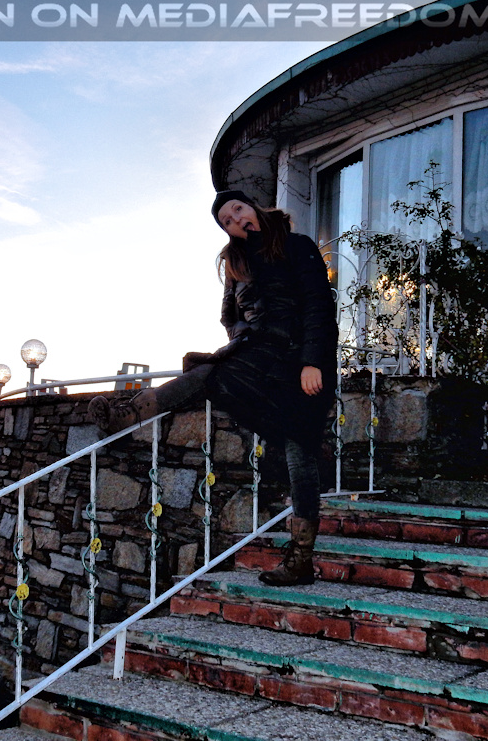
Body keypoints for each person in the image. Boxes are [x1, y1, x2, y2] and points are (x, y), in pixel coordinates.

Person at [89, 190, 338, 586]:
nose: (236, 220)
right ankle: (127, 415)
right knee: (206, 372)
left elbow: (318, 305)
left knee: (299, 450)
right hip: (260, 360)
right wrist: (245, 337)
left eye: (237, 209)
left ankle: (300, 559)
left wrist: (312, 361)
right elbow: (229, 317)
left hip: (301, 363)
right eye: (226, 221)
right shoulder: (236, 263)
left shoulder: (296, 245)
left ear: (252, 207)